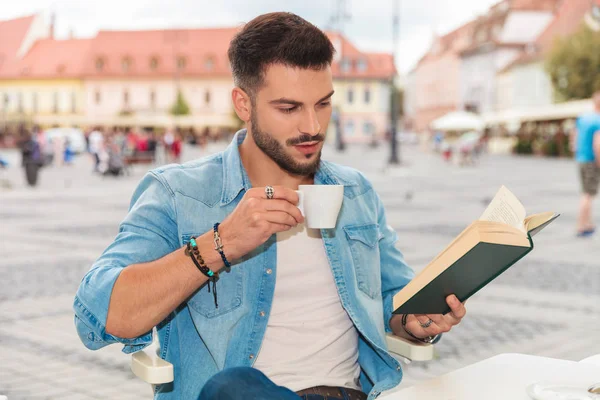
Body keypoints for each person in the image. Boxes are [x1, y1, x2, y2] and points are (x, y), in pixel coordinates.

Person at [73, 13, 467, 400]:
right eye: (289, 108)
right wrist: (220, 243)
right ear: (243, 104)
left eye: (323, 103)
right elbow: (99, 315)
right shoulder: (178, 193)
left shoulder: (356, 191)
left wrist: (414, 321)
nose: (312, 126)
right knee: (236, 386)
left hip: (347, 394)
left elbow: (394, 302)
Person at [572, 90, 600, 237]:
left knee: (585, 192)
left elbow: (574, 137)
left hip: (581, 159)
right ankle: (581, 225)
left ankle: (587, 223)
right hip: (591, 160)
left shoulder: (583, 118)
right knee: (588, 194)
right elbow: (598, 144)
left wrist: (576, 152)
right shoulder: (598, 120)